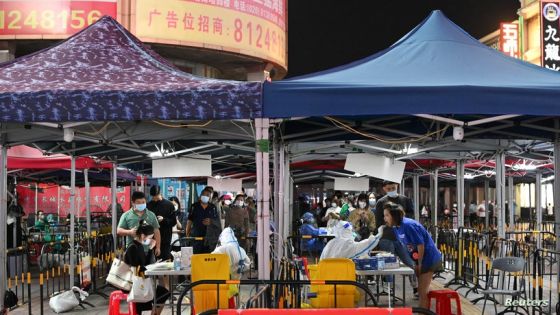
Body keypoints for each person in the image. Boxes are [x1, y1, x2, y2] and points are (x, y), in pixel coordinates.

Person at [383, 203, 442, 309]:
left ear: (394, 215)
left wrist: (419, 264)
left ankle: (423, 312)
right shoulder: (396, 227)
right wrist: (413, 263)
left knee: (422, 292)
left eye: (387, 215)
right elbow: (407, 246)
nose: (384, 218)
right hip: (420, 260)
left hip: (429, 259)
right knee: (421, 290)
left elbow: (420, 245)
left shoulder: (409, 225)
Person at [375, 180, 417, 295]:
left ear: (397, 186)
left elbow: (411, 216)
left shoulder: (405, 200)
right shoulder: (380, 202)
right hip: (386, 237)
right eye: (388, 189)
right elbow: (378, 221)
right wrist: (377, 239)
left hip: (402, 237)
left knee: (409, 261)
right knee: (388, 264)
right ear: (384, 189)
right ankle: (389, 288)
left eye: (393, 188)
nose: (391, 191)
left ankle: (416, 286)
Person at [124, 220, 169, 315]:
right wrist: (152, 269)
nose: (151, 239)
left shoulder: (139, 246)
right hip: (134, 283)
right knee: (163, 292)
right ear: (143, 236)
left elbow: (145, 264)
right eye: (150, 237)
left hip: (141, 280)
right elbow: (137, 271)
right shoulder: (132, 248)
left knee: (164, 292)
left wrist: (150, 249)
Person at [117, 191, 161, 257]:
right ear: (133, 203)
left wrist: (158, 247)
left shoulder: (151, 215)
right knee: (132, 267)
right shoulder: (126, 215)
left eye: (143, 202)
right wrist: (129, 232)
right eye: (138, 202)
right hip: (132, 250)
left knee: (147, 267)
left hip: (148, 251)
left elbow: (156, 231)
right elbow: (119, 231)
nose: (141, 204)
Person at [186, 188, 222, 254]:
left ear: (210, 197)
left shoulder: (213, 207)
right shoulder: (194, 206)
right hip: (196, 236)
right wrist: (187, 235)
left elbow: (217, 222)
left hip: (209, 237)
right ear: (200, 196)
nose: (205, 196)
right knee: (196, 256)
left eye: (207, 195)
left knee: (207, 257)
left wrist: (211, 221)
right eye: (203, 194)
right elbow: (189, 221)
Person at [147, 185, 176, 261]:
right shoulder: (148, 205)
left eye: (156, 196)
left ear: (160, 193)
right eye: (153, 197)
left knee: (164, 259)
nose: (154, 198)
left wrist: (164, 220)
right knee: (151, 261)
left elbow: (173, 221)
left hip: (165, 238)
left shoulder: (169, 205)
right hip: (151, 238)